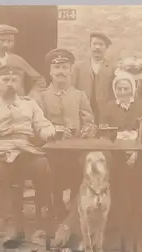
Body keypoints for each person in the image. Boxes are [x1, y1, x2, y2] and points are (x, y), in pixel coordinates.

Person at [0, 64, 57, 249]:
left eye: (14, 80)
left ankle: (43, 217)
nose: (10, 84)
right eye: (5, 80)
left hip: (25, 149)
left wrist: (50, 132)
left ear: (20, 83)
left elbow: (42, 125)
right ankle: (11, 225)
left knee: (43, 165)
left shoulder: (29, 104)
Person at [32, 48, 97, 219]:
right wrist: (56, 131)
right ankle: (55, 204)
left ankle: (76, 205)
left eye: (65, 67)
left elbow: (89, 122)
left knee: (85, 165)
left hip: (75, 148)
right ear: (50, 71)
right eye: (57, 67)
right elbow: (36, 125)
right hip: (51, 149)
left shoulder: (79, 95)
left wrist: (85, 131)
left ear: (70, 71)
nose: (61, 71)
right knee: (50, 166)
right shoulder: (41, 97)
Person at [100, 72, 142, 234]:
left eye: (126, 88)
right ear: (115, 90)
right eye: (120, 89)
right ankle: (118, 218)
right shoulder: (109, 107)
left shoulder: (141, 106)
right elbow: (104, 131)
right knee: (117, 182)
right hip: (116, 152)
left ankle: (136, 218)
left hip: (138, 151)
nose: (123, 92)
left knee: (137, 181)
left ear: (132, 89)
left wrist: (136, 143)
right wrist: (120, 138)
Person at [0, 24, 46, 108]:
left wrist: (31, 98)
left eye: (10, 41)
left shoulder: (18, 60)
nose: (6, 44)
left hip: (19, 109)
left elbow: (40, 81)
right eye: (2, 40)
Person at [71, 32, 116, 124]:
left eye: (101, 44)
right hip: (84, 110)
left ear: (106, 48)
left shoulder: (113, 68)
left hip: (104, 111)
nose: (97, 47)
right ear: (90, 46)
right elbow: (72, 89)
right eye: (94, 44)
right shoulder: (78, 67)